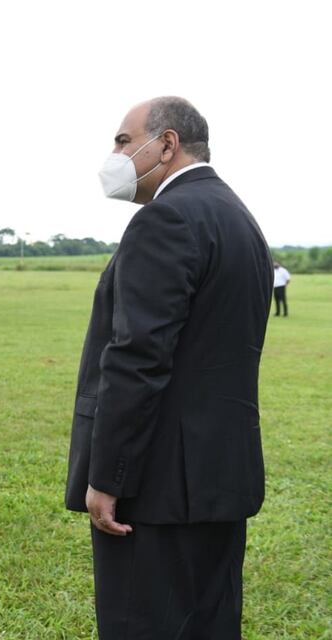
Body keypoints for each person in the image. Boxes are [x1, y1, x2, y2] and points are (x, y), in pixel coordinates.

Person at [65, 97, 272, 639]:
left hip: (156, 487)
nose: (115, 154)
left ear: (167, 144)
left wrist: (108, 477)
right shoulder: (238, 217)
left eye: (123, 141)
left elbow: (137, 358)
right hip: (221, 476)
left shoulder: (165, 218)